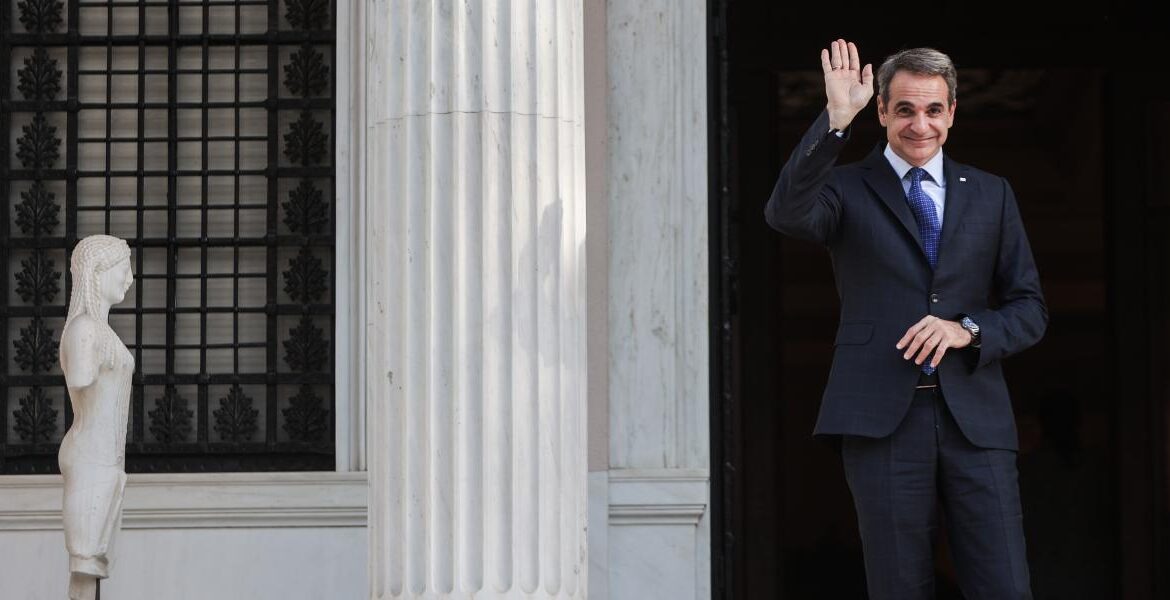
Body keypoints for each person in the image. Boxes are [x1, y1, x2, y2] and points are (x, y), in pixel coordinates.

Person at [765, 39, 1047, 599]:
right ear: (881, 112)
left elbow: (1029, 309)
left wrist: (966, 329)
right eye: (905, 110)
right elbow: (785, 213)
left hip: (976, 422)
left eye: (934, 109)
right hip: (881, 420)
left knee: (1005, 587)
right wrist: (835, 120)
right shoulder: (845, 186)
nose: (921, 125)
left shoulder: (991, 193)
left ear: (952, 113)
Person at [58, 235, 135, 600]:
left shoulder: (101, 331)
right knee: (85, 566)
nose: (130, 279)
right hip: (90, 457)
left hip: (106, 460)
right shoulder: (85, 329)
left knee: (93, 566)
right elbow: (80, 378)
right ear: (98, 272)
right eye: (124, 269)